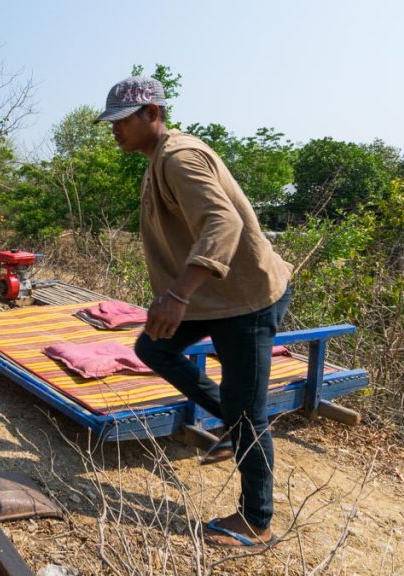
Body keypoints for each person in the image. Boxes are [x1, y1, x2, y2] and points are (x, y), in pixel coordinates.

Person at [94, 76, 293, 548]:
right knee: (152, 346)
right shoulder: (157, 159)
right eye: (112, 123)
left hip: (246, 299)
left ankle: (256, 519)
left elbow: (221, 222)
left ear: (153, 114)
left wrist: (177, 295)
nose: (115, 131)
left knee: (250, 414)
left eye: (123, 121)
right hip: (214, 298)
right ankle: (227, 419)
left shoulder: (180, 156)